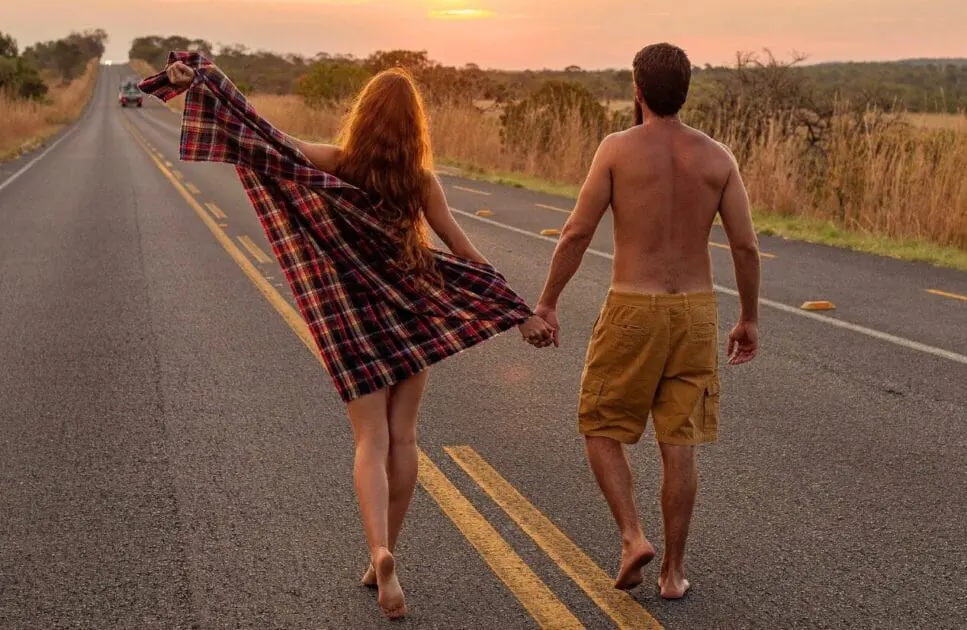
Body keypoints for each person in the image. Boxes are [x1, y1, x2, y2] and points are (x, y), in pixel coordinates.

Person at [163, 60, 554, 619]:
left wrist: (200, 81)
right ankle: (387, 552)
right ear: (414, 126)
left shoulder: (338, 161)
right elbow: (466, 254)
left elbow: (264, 138)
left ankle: (377, 551)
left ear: (363, 117)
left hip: (353, 324)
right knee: (405, 437)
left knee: (370, 442)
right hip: (411, 315)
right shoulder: (421, 183)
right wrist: (519, 313)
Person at [533, 42, 761, 599]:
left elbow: (577, 232)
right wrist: (749, 318)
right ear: (686, 90)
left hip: (633, 306)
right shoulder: (717, 157)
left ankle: (633, 535)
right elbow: (746, 246)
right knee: (678, 440)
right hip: (696, 311)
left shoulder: (616, 149)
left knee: (599, 425)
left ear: (637, 89)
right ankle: (673, 572)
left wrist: (548, 302)